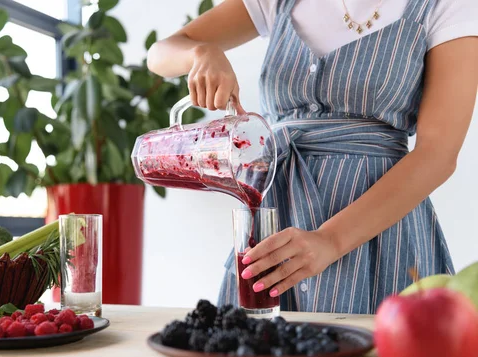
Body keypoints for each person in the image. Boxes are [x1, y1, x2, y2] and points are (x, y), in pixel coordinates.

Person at [147, 0, 478, 313]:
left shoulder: (446, 5)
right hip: (278, 216)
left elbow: (438, 153)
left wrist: (330, 240)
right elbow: (160, 54)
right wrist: (201, 52)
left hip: (380, 234)